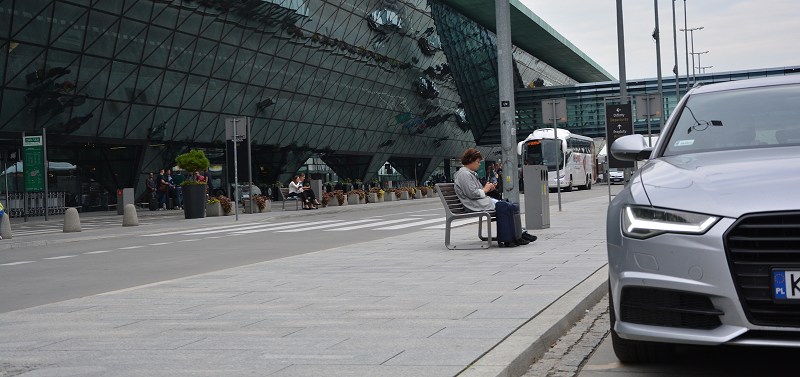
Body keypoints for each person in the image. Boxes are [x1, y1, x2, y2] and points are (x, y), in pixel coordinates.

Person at [453, 148, 537, 247]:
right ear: (470, 160)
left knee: (510, 205)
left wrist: (488, 189)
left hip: (480, 202)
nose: (479, 164)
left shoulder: (468, 174)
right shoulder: (464, 175)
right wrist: (485, 189)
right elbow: (472, 193)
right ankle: (515, 236)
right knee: (506, 206)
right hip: (475, 204)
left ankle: (518, 234)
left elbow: (477, 191)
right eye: (478, 162)